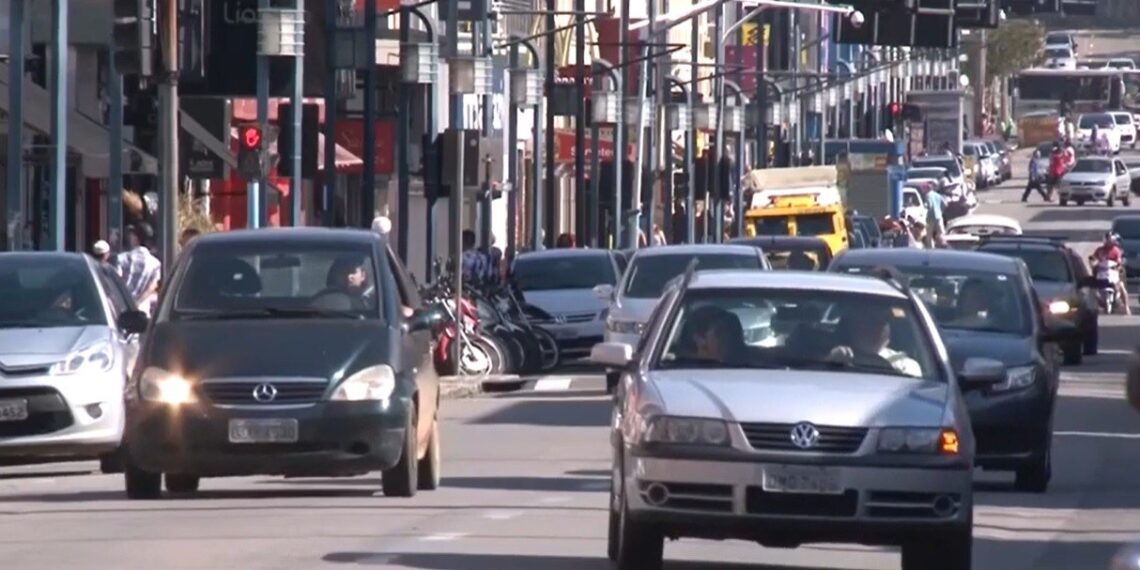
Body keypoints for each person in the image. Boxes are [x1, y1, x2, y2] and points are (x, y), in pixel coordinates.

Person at [826, 304, 922, 377]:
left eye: (882, 323)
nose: (876, 330)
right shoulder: (832, 356)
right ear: (850, 326)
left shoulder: (905, 364)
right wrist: (831, 364)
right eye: (867, 322)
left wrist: (888, 370)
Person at [114, 224, 162, 313]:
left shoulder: (123, 258)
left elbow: (117, 281)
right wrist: (137, 303)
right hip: (142, 309)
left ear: (135, 238)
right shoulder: (155, 263)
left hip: (121, 308)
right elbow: (152, 286)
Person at [675, 306, 746, 365]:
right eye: (719, 333)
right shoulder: (680, 371)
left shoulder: (745, 368)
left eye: (731, 333)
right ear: (699, 339)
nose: (728, 339)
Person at [1091, 232, 1130, 315]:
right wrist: (1093, 264)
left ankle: (1126, 307)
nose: (1109, 242)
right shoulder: (1100, 250)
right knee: (1092, 288)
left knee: (1121, 286)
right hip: (1102, 272)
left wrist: (1118, 267)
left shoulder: (1116, 250)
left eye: (1110, 240)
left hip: (1113, 272)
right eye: (1107, 240)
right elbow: (1093, 259)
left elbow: (1119, 262)